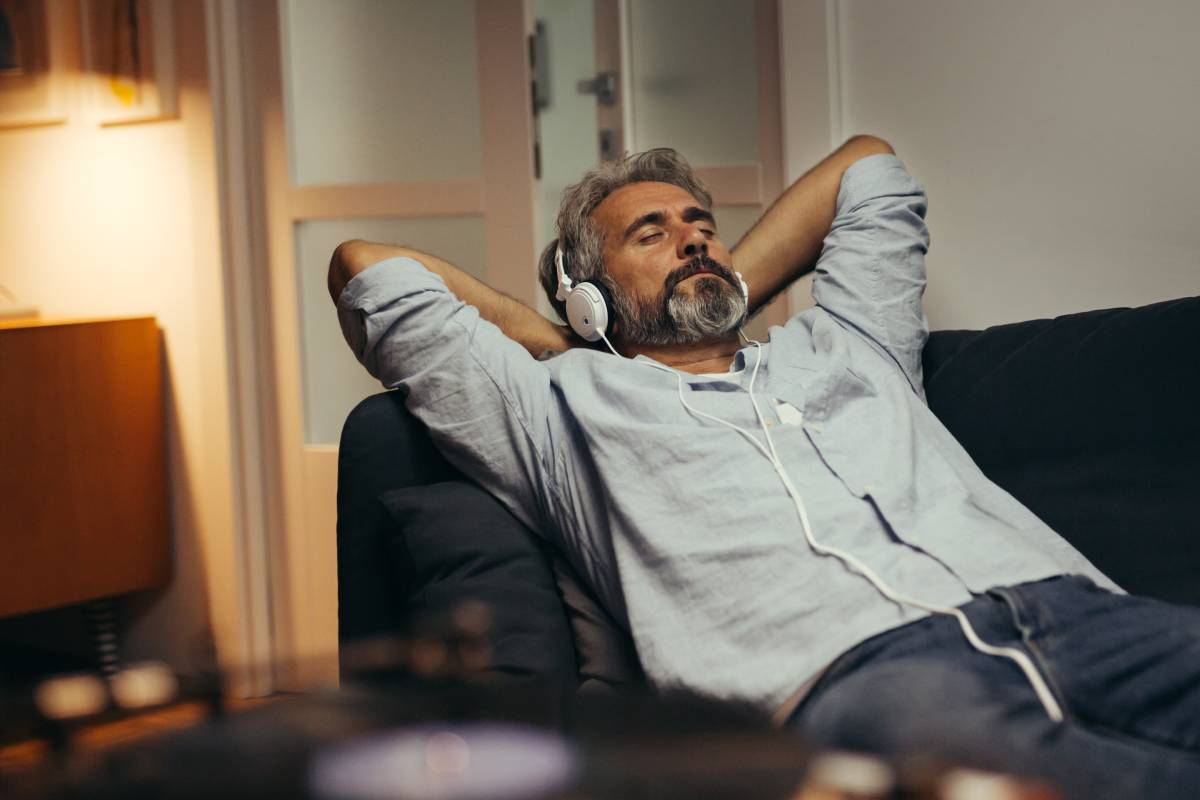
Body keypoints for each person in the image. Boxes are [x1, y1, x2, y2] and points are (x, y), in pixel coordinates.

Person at [329, 137, 1200, 797]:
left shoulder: (851, 348)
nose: (695, 241)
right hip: (875, 679)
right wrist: (572, 342)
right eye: (653, 233)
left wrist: (711, 279)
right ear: (588, 291)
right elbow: (369, 271)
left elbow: (870, 166)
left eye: (703, 228)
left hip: (1078, 612)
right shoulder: (557, 415)